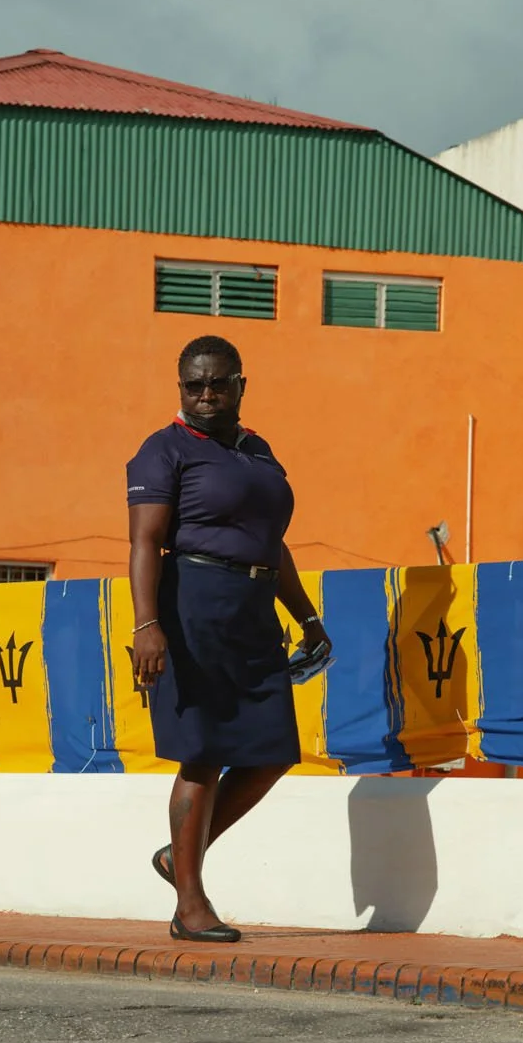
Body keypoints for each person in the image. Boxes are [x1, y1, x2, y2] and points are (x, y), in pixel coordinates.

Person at [126, 335, 331, 943]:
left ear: (242, 384)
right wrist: (147, 625)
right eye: (194, 385)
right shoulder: (163, 451)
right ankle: (190, 902)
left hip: (255, 610)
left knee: (271, 752)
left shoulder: (259, 452)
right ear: (181, 387)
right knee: (205, 752)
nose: (206, 394)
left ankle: (178, 857)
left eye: (218, 383)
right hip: (195, 606)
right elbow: (143, 542)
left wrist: (308, 618)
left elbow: (274, 544)